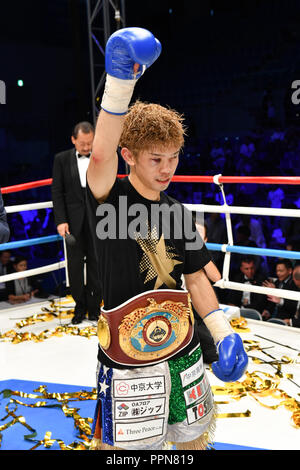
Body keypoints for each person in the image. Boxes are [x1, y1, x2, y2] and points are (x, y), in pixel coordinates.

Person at [85, 27, 248, 451]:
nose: (167, 169)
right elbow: (100, 154)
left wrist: (222, 330)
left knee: (193, 440)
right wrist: (121, 83)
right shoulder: (108, 198)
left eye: (173, 158)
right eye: (156, 158)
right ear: (130, 156)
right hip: (126, 354)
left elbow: (195, 280)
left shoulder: (177, 212)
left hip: (182, 344)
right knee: (122, 449)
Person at [51, 122, 102, 324]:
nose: (87, 148)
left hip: (98, 219)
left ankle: (95, 308)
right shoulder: (61, 159)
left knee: (97, 265)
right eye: (82, 143)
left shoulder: (100, 158)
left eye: (90, 143)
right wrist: (61, 220)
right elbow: (57, 192)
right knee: (74, 266)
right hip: (72, 222)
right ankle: (79, 307)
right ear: (73, 140)